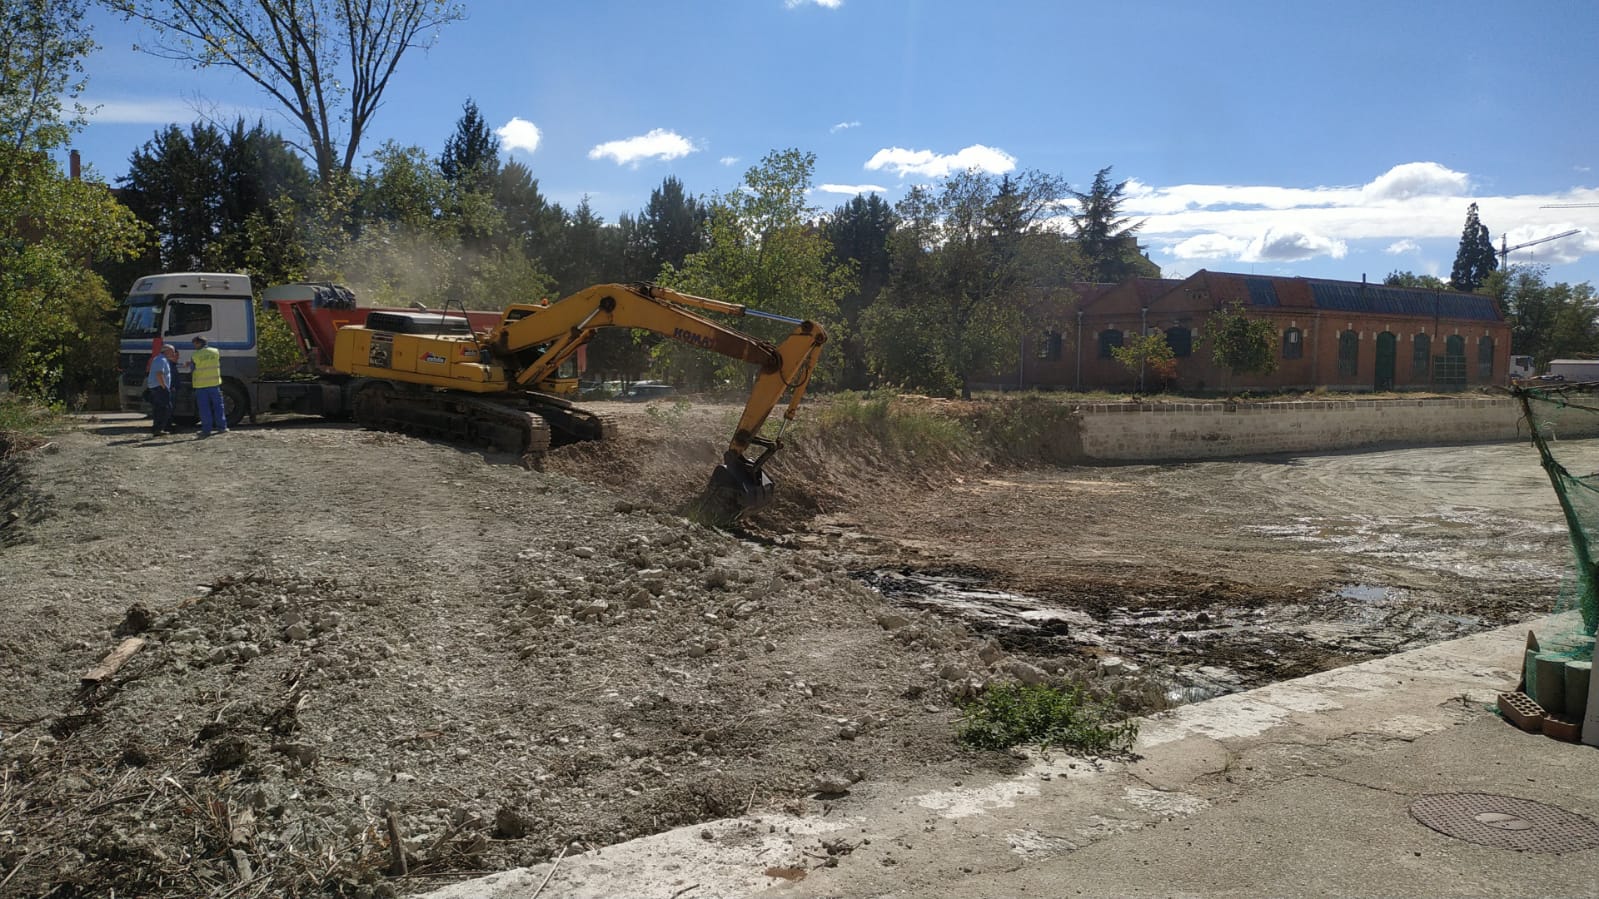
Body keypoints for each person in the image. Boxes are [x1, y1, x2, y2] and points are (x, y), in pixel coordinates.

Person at [189, 335, 227, 437]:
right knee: (219, 407)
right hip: (215, 384)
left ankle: (206, 430)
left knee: (204, 409)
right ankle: (222, 427)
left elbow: (192, 369)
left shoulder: (195, 355)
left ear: (199, 343)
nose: (194, 346)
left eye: (195, 344)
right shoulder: (215, 351)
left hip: (201, 386)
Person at [145, 344, 176, 436]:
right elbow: (159, 373)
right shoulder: (161, 360)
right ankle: (159, 428)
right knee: (165, 408)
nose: (174, 353)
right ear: (166, 351)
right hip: (159, 387)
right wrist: (164, 386)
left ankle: (157, 429)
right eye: (172, 351)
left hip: (157, 387)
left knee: (159, 408)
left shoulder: (160, 359)